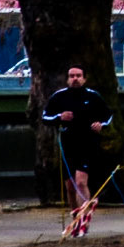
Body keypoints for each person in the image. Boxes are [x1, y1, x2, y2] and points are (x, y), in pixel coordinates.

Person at [40, 66, 114, 213]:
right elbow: (45, 117)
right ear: (68, 79)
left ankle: (84, 217)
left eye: (78, 76)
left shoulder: (93, 96)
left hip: (87, 144)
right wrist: (59, 117)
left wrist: (101, 125)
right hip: (67, 144)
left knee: (81, 182)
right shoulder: (59, 96)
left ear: (84, 78)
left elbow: (108, 116)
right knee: (70, 185)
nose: (75, 79)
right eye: (72, 76)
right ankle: (75, 215)